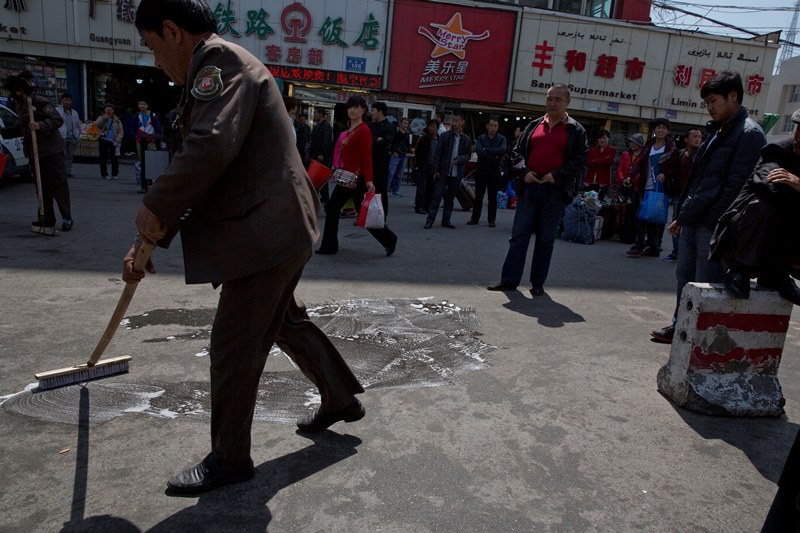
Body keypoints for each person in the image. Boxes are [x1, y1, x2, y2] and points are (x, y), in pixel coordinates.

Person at [128, 0, 365, 495]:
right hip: (275, 227)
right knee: (282, 320)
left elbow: (209, 148)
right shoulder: (215, 69)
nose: (153, 60)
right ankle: (340, 396)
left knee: (234, 344)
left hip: (268, 231)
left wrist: (154, 208)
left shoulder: (221, 65)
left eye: (152, 46)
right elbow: (211, 169)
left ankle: (230, 457)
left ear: (172, 31)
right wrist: (150, 238)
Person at [651, 71, 766, 344]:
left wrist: (715, 223)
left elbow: (737, 188)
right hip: (695, 219)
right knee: (685, 279)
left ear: (733, 97)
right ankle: (680, 326)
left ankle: (699, 337)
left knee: (706, 284)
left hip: (713, 225)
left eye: (713, 101)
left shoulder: (749, 134)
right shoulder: (717, 131)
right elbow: (697, 179)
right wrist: (683, 216)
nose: (710, 107)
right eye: (707, 103)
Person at [487, 83, 588, 296]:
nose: (552, 103)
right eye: (549, 98)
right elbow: (516, 152)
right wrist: (524, 172)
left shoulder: (576, 130)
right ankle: (509, 280)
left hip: (555, 191)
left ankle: (538, 283)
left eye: (557, 99)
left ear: (567, 102)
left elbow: (579, 160)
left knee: (545, 239)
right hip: (530, 187)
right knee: (519, 235)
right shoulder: (534, 125)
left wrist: (556, 175)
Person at [710, 107, 800, 305]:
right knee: (765, 206)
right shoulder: (777, 150)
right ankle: (740, 270)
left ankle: (777, 275)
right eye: (798, 130)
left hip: (783, 241)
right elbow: (771, 189)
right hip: (743, 232)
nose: (799, 138)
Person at [316, 96, 398, 256]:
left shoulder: (364, 130)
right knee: (333, 209)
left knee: (365, 214)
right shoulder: (349, 131)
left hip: (358, 180)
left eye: (356, 107)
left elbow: (367, 157)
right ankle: (329, 246)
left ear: (363, 110)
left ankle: (390, 240)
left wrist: (368, 180)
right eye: (350, 107)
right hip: (345, 179)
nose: (353, 110)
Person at [5, 74, 73, 234]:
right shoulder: (20, 106)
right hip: (35, 154)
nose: (12, 96)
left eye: (14, 92)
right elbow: (21, 128)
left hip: (51, 151)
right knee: (41, 187)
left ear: (20, 91)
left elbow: (57, 120)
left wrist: (40, 125)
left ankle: (66, 217)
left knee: (58, 184)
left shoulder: (37, 101)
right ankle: (47, 218)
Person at [625, 118, 678, 258]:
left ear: (667, 131)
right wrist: (630, 176)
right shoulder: (648, 146)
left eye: (663, 128)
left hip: (659, 188)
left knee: (645, 217)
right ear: (653, 130)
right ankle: (653, 247)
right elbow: (638, 163)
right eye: (658, 127)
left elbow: (674, 168)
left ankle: (641, 245)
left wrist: (665, 174)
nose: (660, 130)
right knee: (647, 217)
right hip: (645, 186)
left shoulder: (671, 148)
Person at [424, 110, 472, 229]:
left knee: (450, 198)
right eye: (453, 121)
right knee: (437, 196)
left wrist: (460, 159)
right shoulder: (445, 136)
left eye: (456, 121)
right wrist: (435, 170)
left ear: (462, 122)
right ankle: (430, 220)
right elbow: (437, 154)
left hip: (456, 173)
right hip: (443, 172)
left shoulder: (466, 139)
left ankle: (446, 220)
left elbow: (468, 155)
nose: (454, 123)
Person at [663, 127, 702, 262]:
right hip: (678, 194)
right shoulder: (680, 154)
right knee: (675, 223)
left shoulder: (700, 156)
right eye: (694, 136)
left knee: (688, 225)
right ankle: (676, 252)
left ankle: (686, 254)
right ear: (686, 139)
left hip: (693, 196)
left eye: (699, 137)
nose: (697, 139)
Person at [468, 115, 506, 227]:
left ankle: (491, 220)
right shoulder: (481, 138)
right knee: (478, 197)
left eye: (495, 126)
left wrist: (487, 151)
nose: (493, 128)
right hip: (481, 170)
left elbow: (502, 150)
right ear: (487, 126)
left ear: (498, 126)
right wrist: (494, 154)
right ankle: (474, 219)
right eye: (491, 125)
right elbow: (479, 151)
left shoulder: (502, 139)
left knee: (492, 197)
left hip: (495, 171)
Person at [369, 101, 395, 218]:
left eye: (373, 110)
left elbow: (385, 143)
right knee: (368, 190)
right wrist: (376, 139)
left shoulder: (389, 126)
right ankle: (366, 215)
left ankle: (382, 217)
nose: (371, 113)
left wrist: (375, 141)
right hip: (369, 163)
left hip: (381, 165)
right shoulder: (371, 125)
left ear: (380, 112)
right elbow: (366, 140)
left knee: (381, 192)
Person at [413, 119, 439, 214]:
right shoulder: (424, 138)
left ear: (437, 128)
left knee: (431, 189)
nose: (431, 129)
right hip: (423, 167)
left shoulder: (440, 139)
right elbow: (417, 151)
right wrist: (419, 163)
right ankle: (419, 206)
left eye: (433, 126)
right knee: (421, 188)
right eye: (430, 126)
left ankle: (427, 207)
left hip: (434, 168)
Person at [584, 129, 616, 200]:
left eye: (604, 138)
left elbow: (609, 161)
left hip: (603, 181)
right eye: (600, 138)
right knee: (587, 201)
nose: (602, 140)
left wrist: (595, 160)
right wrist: (603, 160)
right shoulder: (592, 150)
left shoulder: (612, 149)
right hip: (590, 180)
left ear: (608, 138)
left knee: (599, 202)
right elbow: (589, 163)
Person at [55, 92, 81, 178]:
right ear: (62, 100)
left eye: (69, 100)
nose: (67, 102)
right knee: (62, 155)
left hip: (72, 137)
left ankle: (68, 172)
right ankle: (61, 172)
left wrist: (77, 136)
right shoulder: (57, 111)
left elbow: (77, 125)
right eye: (65, 100)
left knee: (70, 156)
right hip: (62, 137)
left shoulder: (74, 113)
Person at [95, 104, 123, 180]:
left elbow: (121, 131)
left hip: (114, 141)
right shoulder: (101, 118)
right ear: (104, 110)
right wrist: (104, 119)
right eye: (107, 110)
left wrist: (118, 140)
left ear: (113, 111)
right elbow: (97, 125)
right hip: (103, 139)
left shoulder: (117, 120)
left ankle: (115, 174)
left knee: (115, 158)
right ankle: (104, 174)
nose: (109, 111)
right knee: (103, 157)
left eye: (110, 110)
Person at [388, 117, 411, 197]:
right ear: (401, 123)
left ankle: (396, 190)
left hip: (403, 156)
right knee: (391, 173)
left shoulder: (407, 133)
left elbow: (408, 144)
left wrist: (409, 152)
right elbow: (391, 142)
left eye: (407, 123)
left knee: (399, 175)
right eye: (404, 123)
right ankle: (386, 189)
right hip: (396, 155)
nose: (405, 125)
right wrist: (393, 151)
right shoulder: (396, 132)